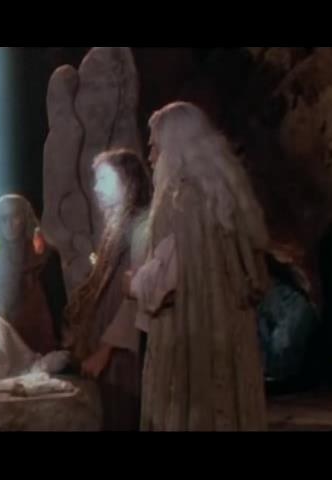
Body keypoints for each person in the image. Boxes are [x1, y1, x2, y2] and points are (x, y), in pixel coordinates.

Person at [126, 102, 270, 431]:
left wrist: (132, 284)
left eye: (155, 145)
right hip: (228, 333)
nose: (151, 155)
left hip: (187, 339)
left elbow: (164, 282)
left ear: (174, 148)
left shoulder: (175, 201)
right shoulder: (228, 198)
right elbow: (254, 272)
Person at [64, 148, 152, 430]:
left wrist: (105, 351)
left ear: (126, 181)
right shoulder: (116, 229)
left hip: (124, 355)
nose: (96, 188)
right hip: (112, 356)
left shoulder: (140, 229)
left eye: (104, 179)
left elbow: (134, 300)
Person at [0, 194, 58, 354]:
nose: (9, 224)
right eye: (3, 219)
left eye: (15, 216)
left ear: (25, 218)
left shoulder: (44, 256)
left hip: (38, 332)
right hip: (2, 329)